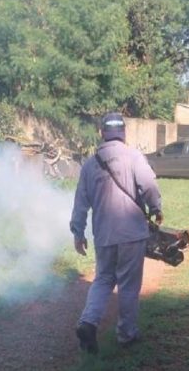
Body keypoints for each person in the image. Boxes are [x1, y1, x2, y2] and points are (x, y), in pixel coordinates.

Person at [69, 112, 163, 354]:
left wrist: (78, 232)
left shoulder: (90, 164)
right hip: (131, 234)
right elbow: (150, 185)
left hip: (103, 236)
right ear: (123, 132)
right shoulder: (133, 156)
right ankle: (126, 335)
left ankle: (88, 322)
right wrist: (155, 207)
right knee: (129, 286)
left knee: (102, 280)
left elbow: (80, 202)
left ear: (102, 133)